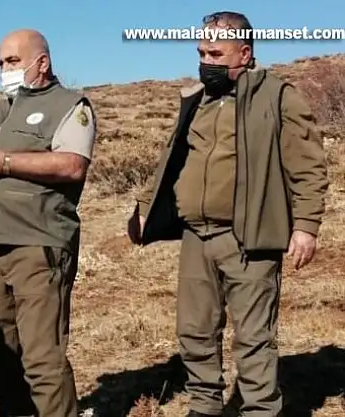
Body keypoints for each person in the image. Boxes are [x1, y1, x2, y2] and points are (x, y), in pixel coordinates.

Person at [127, 11, 329, 417]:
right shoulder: (197, 99)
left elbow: (308, 166)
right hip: (195, 236)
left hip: (250, 237)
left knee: (254, 337)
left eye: (216, 54)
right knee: (195, 331)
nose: (206, 61)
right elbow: (174, 159)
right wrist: (147, 209)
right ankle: (205, 406)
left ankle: (259, 409)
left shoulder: (277, 96)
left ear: (245, 53)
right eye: (202, 53)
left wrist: (306, 226)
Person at [0, 28, 97, 417]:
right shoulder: (5, 111)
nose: (5, 70)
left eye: (13, 61)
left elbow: (73, 165)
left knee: (42, 361)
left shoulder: (69, 105)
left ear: (42, 62)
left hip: (39, 244)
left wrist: (3, 161)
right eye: (0, 63)